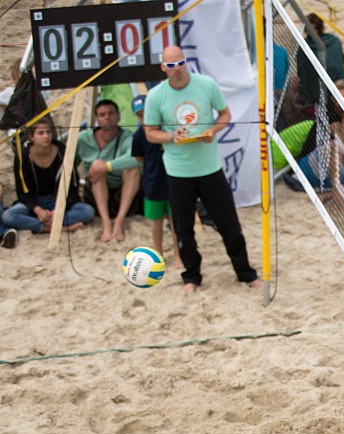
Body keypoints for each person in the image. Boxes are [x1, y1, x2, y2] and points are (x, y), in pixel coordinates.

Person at [143, 45, 261, 292]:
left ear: (185, 62)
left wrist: (212, 131)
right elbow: (150, 133)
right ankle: (191, 278)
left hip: (209, 168)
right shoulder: (155, 95)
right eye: (171, 65)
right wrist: (171, 136)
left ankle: (246, 273)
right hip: (178, 172)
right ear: (163, 67)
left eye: (180, 63)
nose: (177, 69)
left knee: (229, 225)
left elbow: (225, 114)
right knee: (183, 230)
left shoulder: (206, 84)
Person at [2, 118, 95, 235]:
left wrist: (59, 210)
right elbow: (23, 192)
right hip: (36, 202)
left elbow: (72, 188)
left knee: (88, 211)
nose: (46, 136)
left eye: (48, 132)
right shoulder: (23, 157)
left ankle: (47, 224)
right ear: (31, 137)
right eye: (40, 133)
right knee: (8, 216)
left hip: (60, 200)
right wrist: (37, 209)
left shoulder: (62, 152)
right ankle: (58, 228)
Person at [76, 98, 141, 243]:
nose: (107, 117)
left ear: (118, 116)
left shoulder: (126, 137)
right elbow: (67, 163)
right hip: (95, 192)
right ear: (97, 119)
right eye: (102, 115)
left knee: (132, 169)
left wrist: (107, 166)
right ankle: (106, 223)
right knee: (97, 165)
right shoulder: (83, 138)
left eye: (111, 113)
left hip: (122, 193)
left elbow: (136, 158)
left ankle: (118, 221)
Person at [130, 94, 181, 268]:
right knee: (156, 222)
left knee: (176, 222)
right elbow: (139, 158)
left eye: (147, 112)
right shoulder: (138, 135)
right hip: (152, 184)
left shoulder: (167, 131)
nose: (145, 117)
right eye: (140, 115)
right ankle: (158, 254)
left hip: (173, 181)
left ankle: (178, 255)